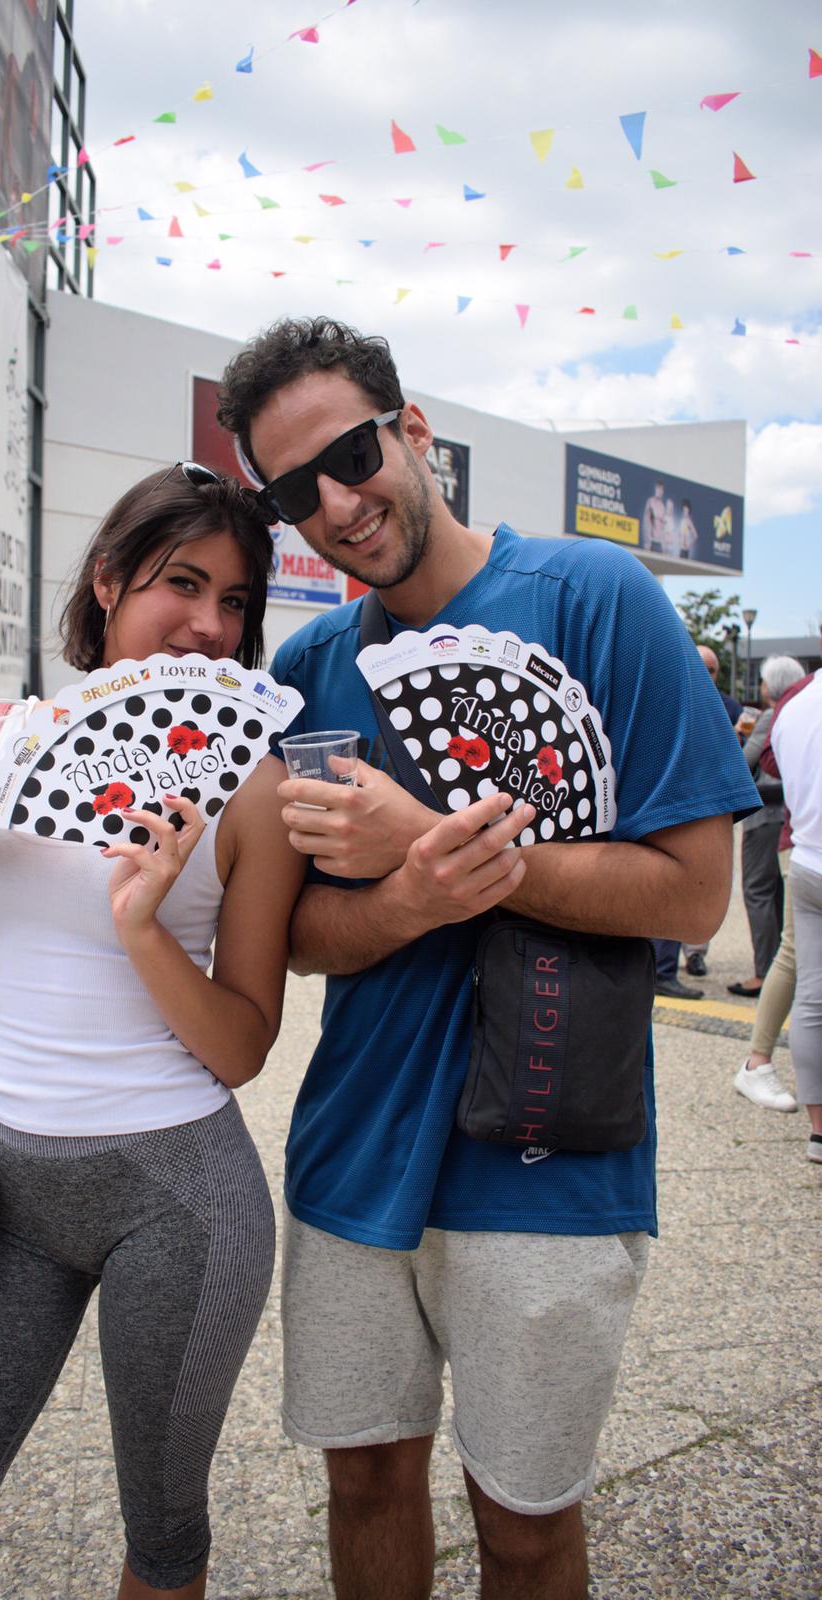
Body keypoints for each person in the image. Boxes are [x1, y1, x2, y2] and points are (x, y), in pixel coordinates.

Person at [216, 316, 760, 1600]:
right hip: (354, 1151)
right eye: (298, 489)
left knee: (522, 1521)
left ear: (414, 431)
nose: (340, 505)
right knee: (362, 1486)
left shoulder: (595, 597)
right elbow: (292, 938)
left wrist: (446, 851)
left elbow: (689, 897)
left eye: (355, 454)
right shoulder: (307, 668)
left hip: (546, 1152)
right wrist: (406, 896)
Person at [0, 465, 305, 1600]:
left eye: (238, 600)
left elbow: (245, 1044)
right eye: (182, 582)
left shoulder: (248, 785)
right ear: (108, 580)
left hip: (178, 1196)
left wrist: (145, 926)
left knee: (161, 1537)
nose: (210, 623)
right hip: (1, 1190)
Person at [725, 655, 803, 1003]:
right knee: (781, 895)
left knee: (757, 890)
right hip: (790, 815)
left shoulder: (771, 716)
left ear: (770, 686)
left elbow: (743, 763)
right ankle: (785, 970)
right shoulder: (804, 712)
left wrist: (733, 739)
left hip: (762, 815)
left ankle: (764, 972)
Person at [770, 667, 822, 1161]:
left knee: (810, 995)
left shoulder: (795, 705)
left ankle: (818, 1129)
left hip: (805, 857)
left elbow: (776, 767)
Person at [681, 642, 744, 978]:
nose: (706, 676)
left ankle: (694, 955)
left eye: (712, 670)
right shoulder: (673, 699)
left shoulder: (730, 708)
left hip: (712, 804)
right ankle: (664, 966)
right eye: (700, 667)